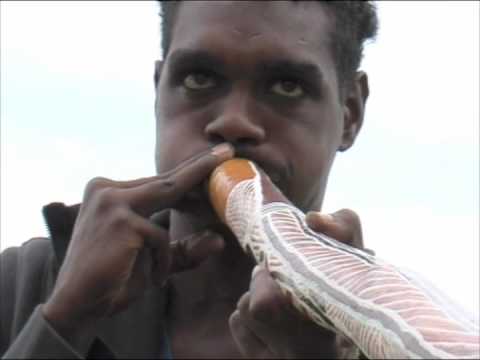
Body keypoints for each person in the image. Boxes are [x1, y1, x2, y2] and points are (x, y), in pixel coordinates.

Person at [1, 1, 379, 358]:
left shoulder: (407, 335)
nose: (233, 121)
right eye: (199, 78)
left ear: (350, 114)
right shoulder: (23, 287)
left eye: (287, 86)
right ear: (158, 90)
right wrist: (64, 323)